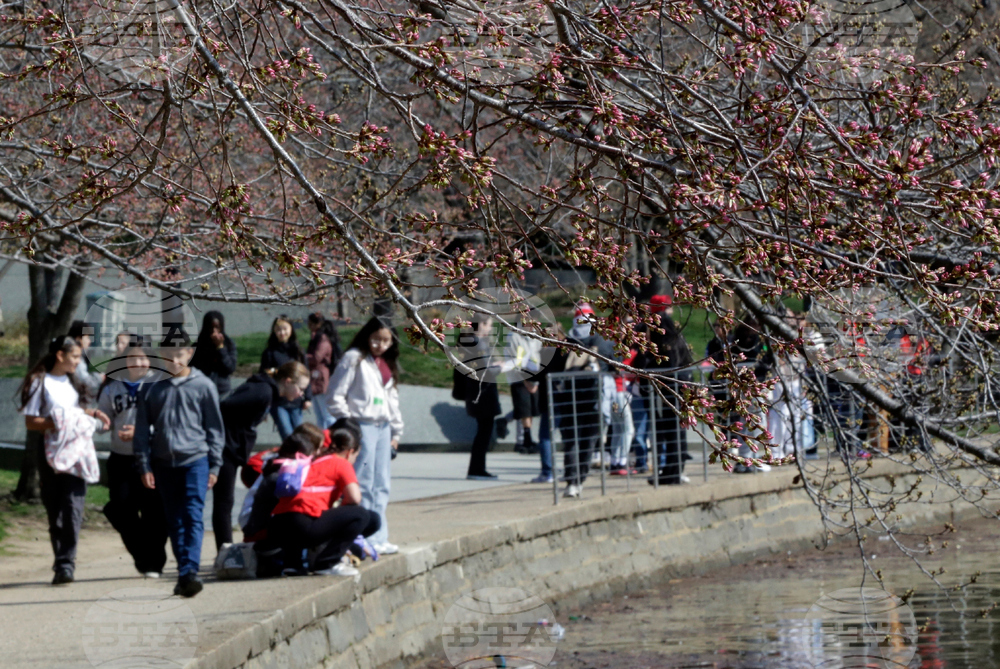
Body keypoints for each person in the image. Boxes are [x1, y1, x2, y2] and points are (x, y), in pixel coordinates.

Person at [134, 328, 225, 598]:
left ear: (190, 353)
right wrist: (143, 464)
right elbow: (141, 431)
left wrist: (214, 465)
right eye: (169, 355)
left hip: (195, 460)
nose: (174, 360)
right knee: (174, 520)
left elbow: (215, 430)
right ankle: (185, 571)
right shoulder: (151, 387)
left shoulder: (203, 385)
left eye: (179, 354)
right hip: (163, 463)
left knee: (192, 515)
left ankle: (189, 571)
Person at [19, 335, 110, 585]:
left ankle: (67, 562)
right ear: (60, 355)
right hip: (50, 449)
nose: (78, 362)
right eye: (75, 357)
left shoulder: (70, 381)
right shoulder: (40, 382)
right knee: (55, 509)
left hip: (76, 448)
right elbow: (31, 421)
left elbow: (72, 412)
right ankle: (61, 562)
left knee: (73, 506)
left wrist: (89, 412)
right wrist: (58, 423)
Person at [213, 361, 312, 550]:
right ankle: (224, 551)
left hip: (232, 447)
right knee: (224, 502)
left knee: (225, 501)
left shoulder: (267, 392)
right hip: (225, 447)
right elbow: (223, 407)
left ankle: (224, 549)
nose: (301, 394)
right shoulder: (263, 392)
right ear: (288, 381)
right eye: (300, 388)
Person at [326, 316, 403, 555]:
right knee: (364, 482)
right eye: (376, 339)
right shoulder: (353, 359)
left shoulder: (385, 363)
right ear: (367, 336)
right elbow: (335, 395)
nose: (381, 345)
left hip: (383, 427)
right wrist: (349, 422)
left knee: (382, 484)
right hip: (362, 425)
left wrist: (396, 432)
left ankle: (379, 534)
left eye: (386, 341)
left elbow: (392, 400)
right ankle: (361, 535)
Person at [97, 336, 168, 578]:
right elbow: (102, 418)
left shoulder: (159, 384)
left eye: (142, 357)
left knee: (154, 513)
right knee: (120, 508)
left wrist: (141, 433)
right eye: (132, 357)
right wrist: (95, 422)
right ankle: (143, 555)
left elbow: (166, 422)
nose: (137, 362)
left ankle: (154, 563)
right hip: (121, 458)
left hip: (151, 458)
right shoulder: (113, 386)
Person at [267, 423, 380, 577]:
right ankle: (327, 563)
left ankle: (292, 565)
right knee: (361, 515)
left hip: (277, 526)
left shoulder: (312, 459)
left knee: (300, 510)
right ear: (350, 452)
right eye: (355, 457)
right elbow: (355, 498)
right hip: (304, 527)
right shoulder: (341, 463)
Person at [634, 312, 694, 485]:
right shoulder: (669, 341)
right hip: (670, 393)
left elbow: (669, 366)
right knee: (671, 433)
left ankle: (674, 473)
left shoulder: (670, 343)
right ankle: (670, 471)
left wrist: (648, 364)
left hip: (674, 393)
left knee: (674, 433)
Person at [454, 314, 503, 481]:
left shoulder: (468, 342)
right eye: (488, 325)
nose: (490, 329)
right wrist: (500, 368)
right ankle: (477, 469)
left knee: (483, 431)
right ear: (481, 325)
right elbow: (485, 370)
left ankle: (477, 468)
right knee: (484, 432)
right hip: (483, 394)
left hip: (475, 392)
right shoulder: (477, 343)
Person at [259, 315, 312, 440]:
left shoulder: (298, 351)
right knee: (287, 434)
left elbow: (306, 374)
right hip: (278, 401)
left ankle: (299, 457)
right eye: (278, 329)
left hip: (296, 400)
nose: (281, 332)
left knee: (299, 434)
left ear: (291, 329)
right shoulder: (270, 352)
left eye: (284, 329)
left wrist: (308, 397)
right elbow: (265, 374)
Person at [190, 310, 238, 399]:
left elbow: (230, 367)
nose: (214, 331)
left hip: (222, 391)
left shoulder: (228, 344)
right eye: (210, 328)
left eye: (217, 327)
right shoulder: (197, 346)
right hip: (201, 391)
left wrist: (220, 347)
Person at [306, 313, 342, 428]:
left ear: (318, 324)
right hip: (315, 379)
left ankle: (330, 438)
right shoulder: (316, 337)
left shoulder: (322, 338)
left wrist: (302, 356)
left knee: (327, 414)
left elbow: (317, 358)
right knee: (319, 415)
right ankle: (322, 439)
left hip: (321, 378)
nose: (309, 326)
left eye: (311, 323)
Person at [67, 320, 104, 401]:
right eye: (87, 338)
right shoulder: (76, 360)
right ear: (78, 338)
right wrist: (100, 378)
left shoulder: (80, 357)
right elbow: (86, 383)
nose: (89, 341)